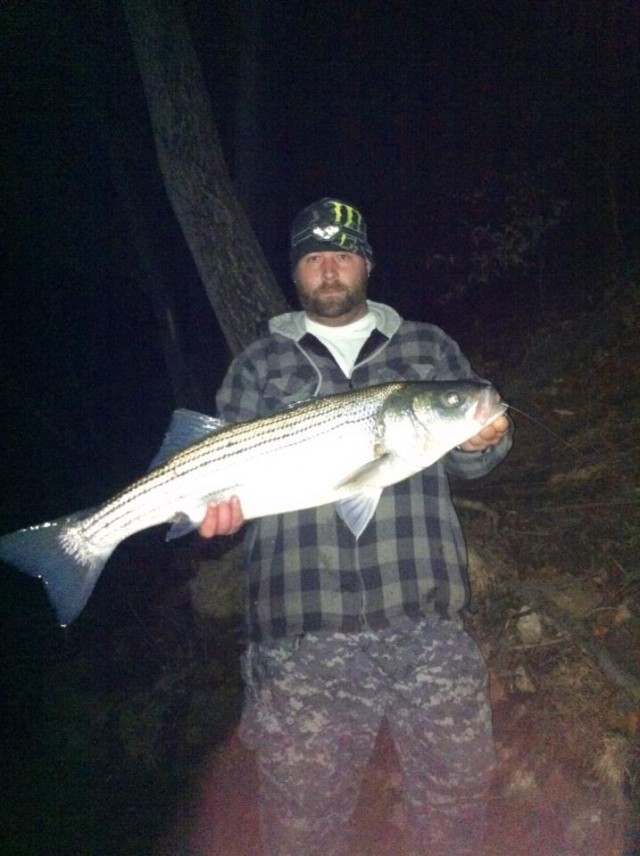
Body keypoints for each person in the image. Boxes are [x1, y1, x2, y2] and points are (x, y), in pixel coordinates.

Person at [199, 198, 511, 856]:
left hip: (427, 622)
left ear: (366, 263)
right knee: (302, 826)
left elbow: (470, 459)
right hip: (300, 638)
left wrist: (481, 439)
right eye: (314, 258)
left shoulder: (427, 346)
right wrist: (214, 514)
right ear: (297, 275)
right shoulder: (256, 366)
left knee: (457, 796)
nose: (329, 268)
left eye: (342, 253)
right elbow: (221, 483)